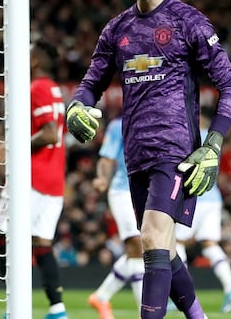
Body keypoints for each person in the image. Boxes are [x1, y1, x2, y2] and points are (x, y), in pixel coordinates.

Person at [66, 0, 231, 319]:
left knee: (151, 238)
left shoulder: (188, 22)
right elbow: (90, 83)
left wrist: (213, 144)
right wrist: (76, 106)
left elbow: (230, 85)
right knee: (160, 247)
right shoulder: (116, 29)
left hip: (176, 151)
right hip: (135, 156)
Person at [0, 39, 69, 319]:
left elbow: (50, 133)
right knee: (41, 244)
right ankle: (57, 309)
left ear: (35, 61)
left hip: (32, 178)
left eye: (27, 53)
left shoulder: (37, 88)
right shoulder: (53, 88)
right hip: (53, 180)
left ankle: (15, 309)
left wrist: (8, 148)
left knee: (2, 237)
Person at [174, 108, 231, 314]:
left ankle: (179, 293)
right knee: (210, 244)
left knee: (177, 243)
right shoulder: (214, 141)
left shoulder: (189, 135)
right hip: (213, 198)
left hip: (194, 196)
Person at [88, 115, 144, 319]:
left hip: (149, 191)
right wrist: (103, 177)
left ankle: (101, 297)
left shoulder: (160, 119)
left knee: (139, 249)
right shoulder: (119, 124)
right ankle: (144, 313)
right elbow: (106, 158)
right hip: (123, 190)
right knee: (137, 246)